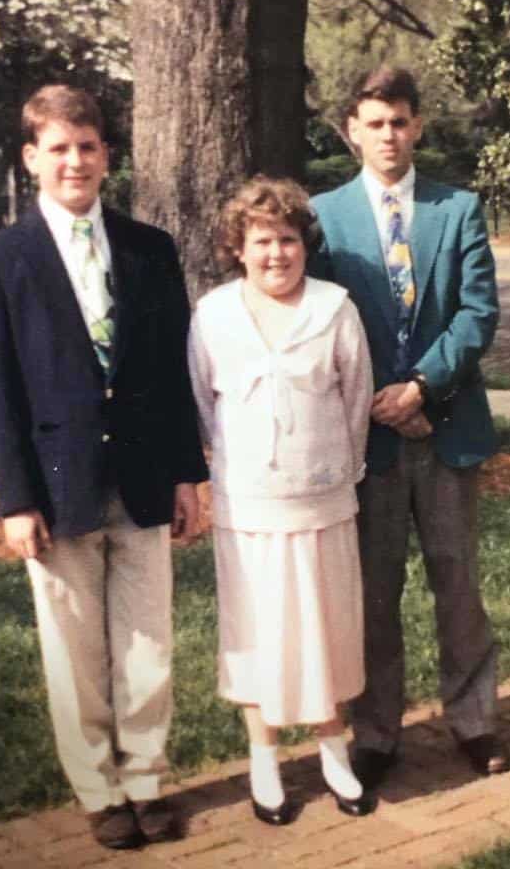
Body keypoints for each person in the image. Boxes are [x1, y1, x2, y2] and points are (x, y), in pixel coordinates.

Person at [0, 84, 208, 850]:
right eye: (58, 148)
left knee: (145, 638)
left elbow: (172, 374)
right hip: (56, 481)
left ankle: (145, 776)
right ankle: (99, 788)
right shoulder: (1, 260)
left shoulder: (148, 249)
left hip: (140, 475)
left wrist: (187, 474)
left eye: (88, 147)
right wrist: (15, 498)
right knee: (73, 646)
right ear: (32, 158)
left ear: (107, 156)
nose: (75, 161)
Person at [310, 66, 509, 791]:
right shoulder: (324, 217)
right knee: (374, 589)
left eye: (399, 121)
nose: (387, 135)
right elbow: (319, 317)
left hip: (446, 427)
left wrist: (423, 384)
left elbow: (476, 312)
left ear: (416, 125)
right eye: (374, 122)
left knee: (456, 580)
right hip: (368, 437)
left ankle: (474, 719)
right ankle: (377, 731)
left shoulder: (456, 208)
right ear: (350, 132)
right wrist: (376, 397)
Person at [188, 176, 374, 825]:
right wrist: (232, 469)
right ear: (238, 247)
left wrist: (337, 470)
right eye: (262, 240)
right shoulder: (212, 314)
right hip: (248, 504)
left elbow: (355, 403)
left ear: (305, 244)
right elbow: (202, 405)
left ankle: (333, 752)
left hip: (321, 498)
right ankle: (263, 759)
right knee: (256, 630)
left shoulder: (333, 308)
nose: (276, 254)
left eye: (288, 240)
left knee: (325, 628)